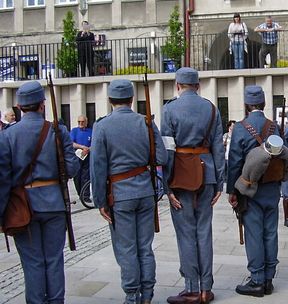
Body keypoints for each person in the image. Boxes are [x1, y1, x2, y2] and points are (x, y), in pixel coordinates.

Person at [0, 80, 79, 304]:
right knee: (54, 260)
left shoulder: (7, 135)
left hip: (24, 206)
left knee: (33, 263)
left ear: (19, 106)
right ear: (42, 105)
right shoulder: (58, 131)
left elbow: (3, 180)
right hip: (54, 204)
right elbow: (72, 168)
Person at [90, 79, 167, 304]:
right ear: (132, 99)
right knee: (145, 247)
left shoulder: (102, 126)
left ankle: (132, 294)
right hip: (145, 192)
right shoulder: (146, 123)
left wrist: (99, 201)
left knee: (126, 248)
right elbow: (161, 158)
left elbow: (97, 167)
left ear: (110, 100)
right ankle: (148, 292)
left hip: (120, 195)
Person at [162, 67, 225, 304]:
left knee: (185, 233)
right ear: (198, 86)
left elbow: (166, 150)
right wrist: (220, 181)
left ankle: (191, 287)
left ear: (177, 86)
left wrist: (167, 186)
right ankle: (206, 288)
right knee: (204, 231)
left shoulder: (169, 109)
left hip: (181, 176)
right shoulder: (211, 108)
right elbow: (218, 147)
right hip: (207, 174)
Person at [227, 85, 282, 297]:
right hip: (272, 188)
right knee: (270, 233)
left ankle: (257, 280)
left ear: (247, 104)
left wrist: (233, 190)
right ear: (264, 103)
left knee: (253, 234)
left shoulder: (241, 127)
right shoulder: (273, 126)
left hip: (250, 189)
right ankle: (269, 278)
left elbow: (234, 162)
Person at [70, 115, 92, 203]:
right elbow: (71, 143)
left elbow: (94, 142)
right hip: (77, 156)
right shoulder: (74, 131)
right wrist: (82, 147)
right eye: (79, 122)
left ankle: (85, 196)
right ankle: (80, 194)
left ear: (86, 122)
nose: (81, 123)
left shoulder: (91, 131)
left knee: (86, 176)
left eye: (82, 122)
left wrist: (88, 149)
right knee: (77, 176)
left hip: (87, 156)